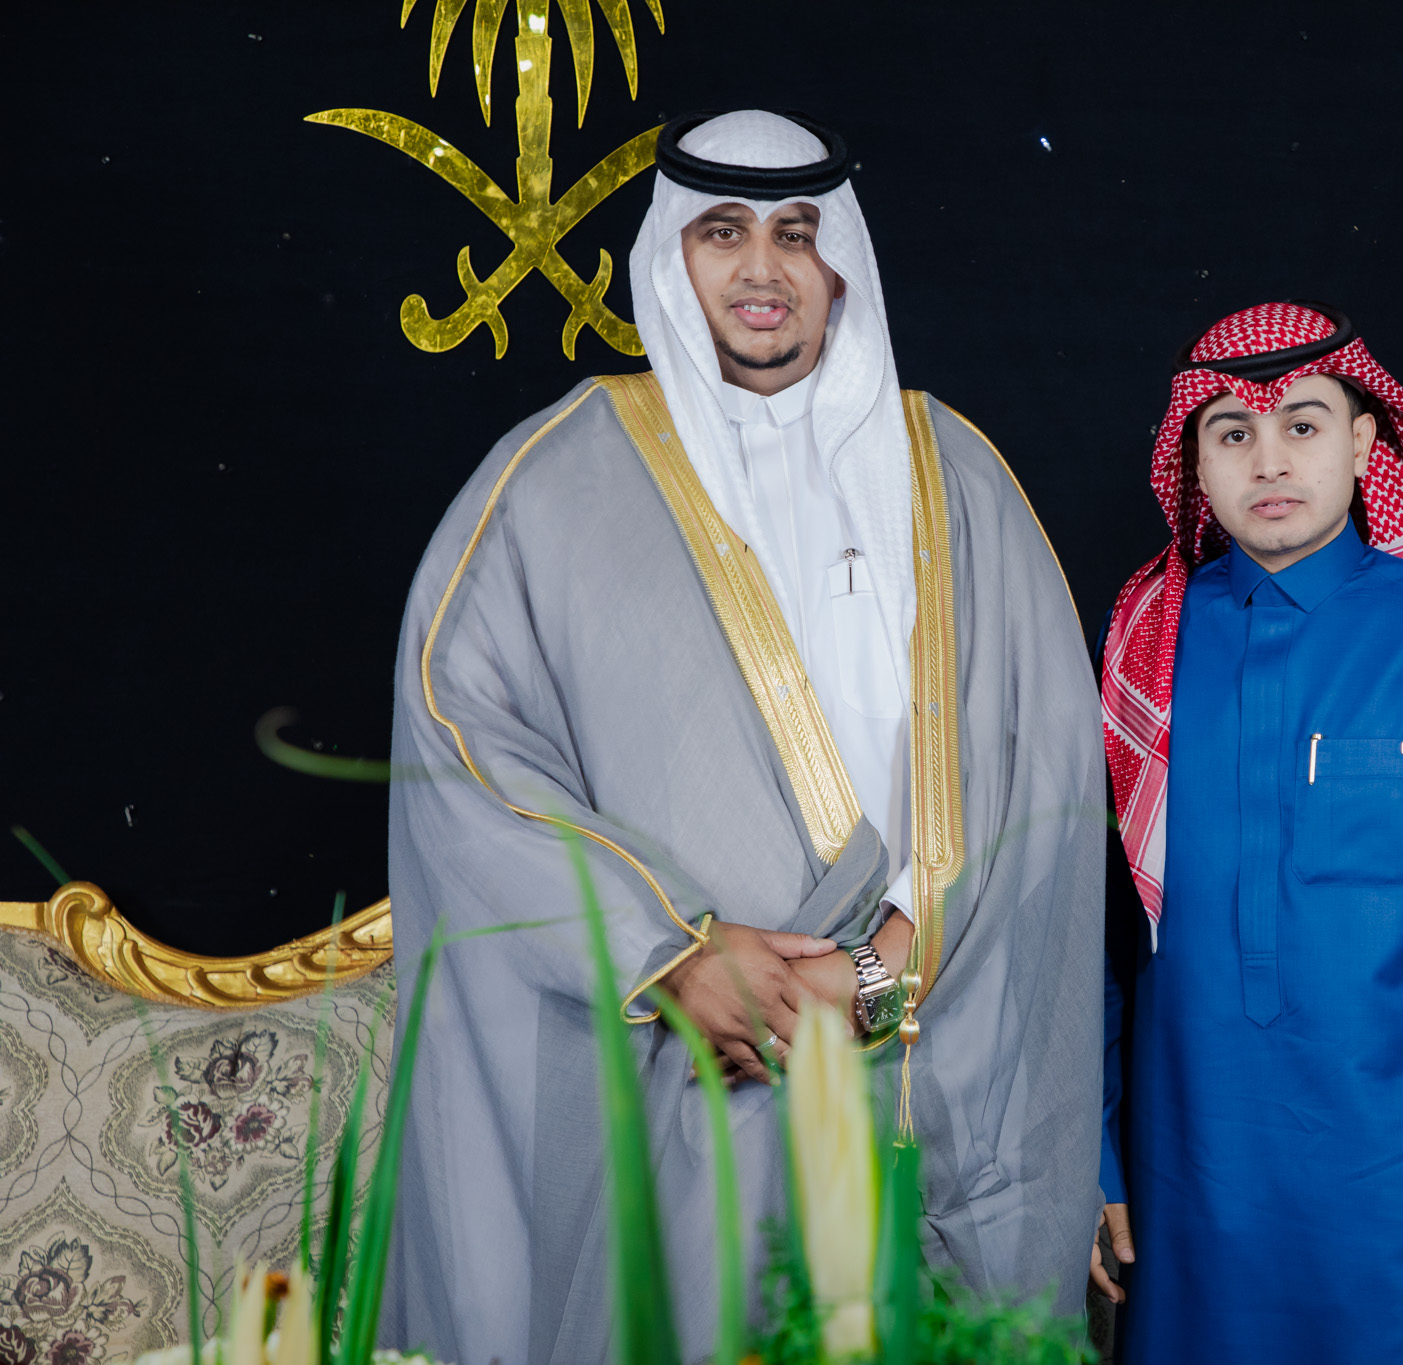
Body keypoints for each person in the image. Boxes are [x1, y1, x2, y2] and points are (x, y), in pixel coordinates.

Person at [384, 110, 1103, 1365]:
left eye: (795, 234)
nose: (762, 269)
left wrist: (876, 969)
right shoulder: (554, 480)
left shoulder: (953, 476)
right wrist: (667, 953)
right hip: (685, 1076)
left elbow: (1040, 757)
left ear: (842, 261)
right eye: (722, 232)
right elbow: (463, 747)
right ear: (672, 253)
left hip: (918, 1054)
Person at [1092, 301, 1403, 1362]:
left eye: (1303, 425)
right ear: (1192, 458)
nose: (1268, 460)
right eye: (1232, 432)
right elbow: (1088, 938)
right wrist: (1089, 1163)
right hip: (1186, 1208)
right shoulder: (1140, 652)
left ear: (1366, 443)